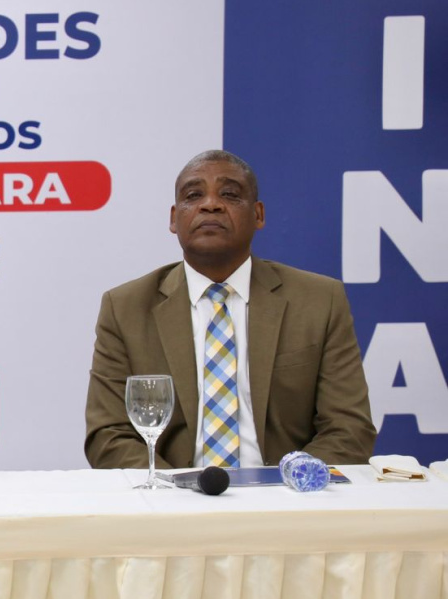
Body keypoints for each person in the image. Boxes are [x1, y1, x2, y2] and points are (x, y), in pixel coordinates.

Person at [85, 150, 376, 469]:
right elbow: (108, 435)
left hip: (286, 491)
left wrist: (285, 485)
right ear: (173, 218)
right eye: (193, 195)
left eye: (229, 194)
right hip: (173, 493)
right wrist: (176, 490)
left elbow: (349, 429)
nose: (210, 204)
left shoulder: (319, 301)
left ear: (258, 215)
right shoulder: (125, 308)